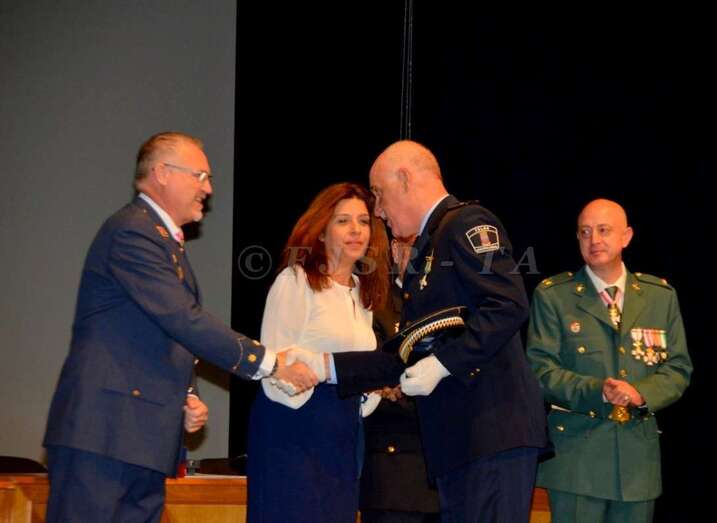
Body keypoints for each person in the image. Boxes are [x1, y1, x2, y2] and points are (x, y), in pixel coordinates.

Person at [42, 131, 316, 523]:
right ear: (162, 173)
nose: (208, 188)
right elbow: (182, 318)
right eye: (200, 176)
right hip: (105, 432)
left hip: (138, 436)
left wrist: (184, 395)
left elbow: (157, 330)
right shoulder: (132, 231)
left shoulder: (163, 240)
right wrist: (269, 362)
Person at [293, 140, 549, 521]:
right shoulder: (430, 247)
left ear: (405, 179)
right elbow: (405, 351)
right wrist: (326, 367)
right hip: (462, 440)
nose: (377, 211)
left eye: (379, 194)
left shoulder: (466, 223)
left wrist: (442, 364)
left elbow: (508, 305)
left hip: (490, 434)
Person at [525, 199, 693, 523]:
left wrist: (640, 393)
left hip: (637, 464)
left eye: (604, 230)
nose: (594, 240)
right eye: (585, 232)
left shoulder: (659, 297)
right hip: (576, 463)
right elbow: (540, 370)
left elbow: (678, 368)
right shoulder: (554, 296)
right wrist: (598, 390)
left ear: (626, 236)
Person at [245, 182, 390, 523]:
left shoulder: (361, 292)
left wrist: (371, 389)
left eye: (363, 221)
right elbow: (274, 368)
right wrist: (320, 375)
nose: (356, 230)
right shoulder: (295, 280)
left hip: (343, 434)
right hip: (293, 430)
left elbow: (358, 368)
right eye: (343, 221)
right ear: (321, 232)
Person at [359, 237, 440, 523]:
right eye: (414, 247)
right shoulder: (370, 307)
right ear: (395, 250)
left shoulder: (452, 309)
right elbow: (369, 378)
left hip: (449, 476)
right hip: (394, 477)